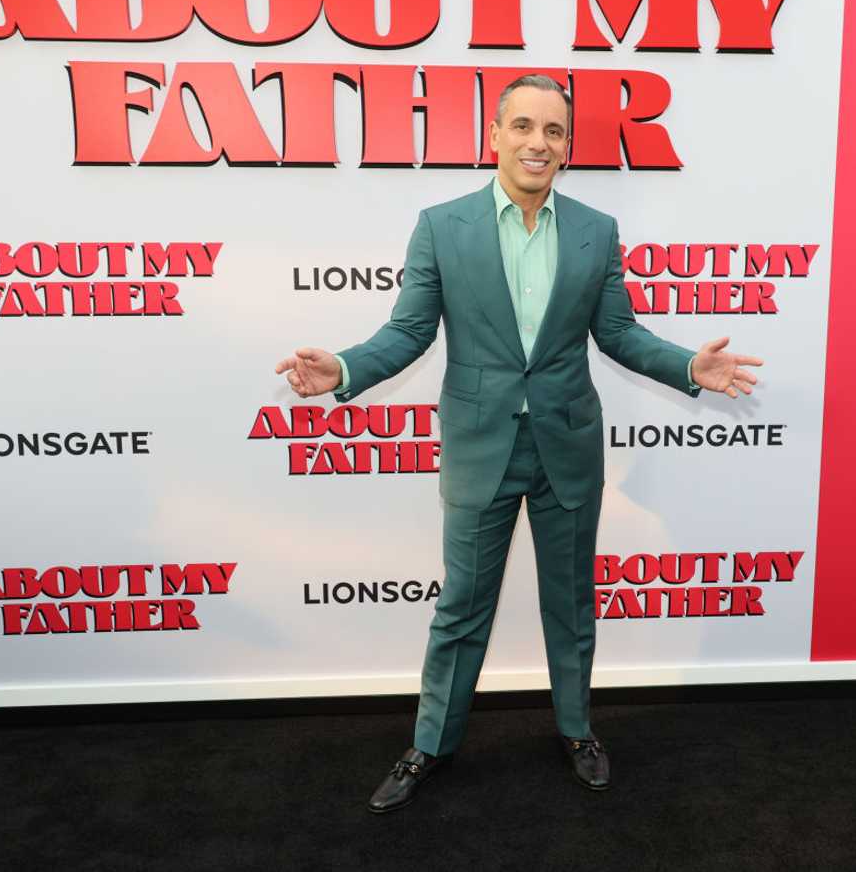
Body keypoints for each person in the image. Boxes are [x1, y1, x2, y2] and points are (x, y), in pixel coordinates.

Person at [276, 75, 763, 813]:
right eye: (526, 126)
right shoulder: (443, 225)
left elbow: (620, 334)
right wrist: (343, 368)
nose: (540, 142)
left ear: (568, 148)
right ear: (495, 135)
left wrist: (688, 366)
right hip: (480, 446)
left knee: (570, 601)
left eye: (555, 132)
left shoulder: (596, 230)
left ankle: (576, 729)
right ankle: (431, 742)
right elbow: (409, 332)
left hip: (568, 442)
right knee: (463, 605)